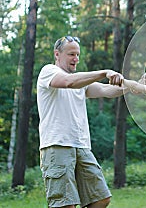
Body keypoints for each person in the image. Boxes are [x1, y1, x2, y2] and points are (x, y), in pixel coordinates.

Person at [37, 35, 125, 208]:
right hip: (57, 146)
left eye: (77, 54)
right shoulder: (49, 72)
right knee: (65, 204)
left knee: (101, 198)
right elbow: (68, 82)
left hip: (81, 146)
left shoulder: (80, 82)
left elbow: (108, 90)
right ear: (57, 54)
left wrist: (140, 86)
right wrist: (104, 72)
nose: (76, 59)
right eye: (71, 54)